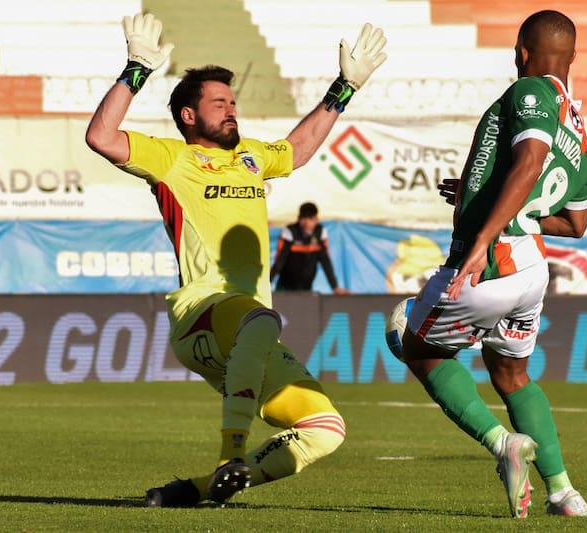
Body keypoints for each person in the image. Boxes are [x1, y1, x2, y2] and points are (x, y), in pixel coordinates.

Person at [85, 12, 386, 507]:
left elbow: (298, 149)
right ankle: (231, 453)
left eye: (233, 102)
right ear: (188, 116)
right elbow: (101, 136)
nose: (231, 109)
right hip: (202, 311)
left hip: (249, 329)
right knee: (260, 317)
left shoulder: (250, 155)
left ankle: (195, 491)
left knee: (325, 428)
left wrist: (344, 86)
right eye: (218, 102)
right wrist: (136, 68)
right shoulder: (170, 159)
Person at [397, 10, 587, 519]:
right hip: (530, 266)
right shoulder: (579, 128)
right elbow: (575, 224)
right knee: (511, 375)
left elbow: (528, 161)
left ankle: (503, 443)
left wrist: (483, 236)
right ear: (573, 57)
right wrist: (478, 196)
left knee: (415, 346)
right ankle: (564, 493)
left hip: (494, 259)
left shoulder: (529, 92)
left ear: (522, 52)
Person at [271, 202, 351, 294]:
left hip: (306, 286)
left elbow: (326, 261)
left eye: (310, 218)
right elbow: (280, 260)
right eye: (303, 218)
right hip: (285, 286)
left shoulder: (320, 232)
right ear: (298, 218)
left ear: (316, 220)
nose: (307, 222)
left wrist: (335, 287)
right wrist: (269, 282)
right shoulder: (290, 231)